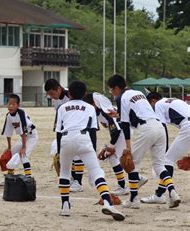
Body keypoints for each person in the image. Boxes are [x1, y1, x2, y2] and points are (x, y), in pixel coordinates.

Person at [107, 74, 180, 209]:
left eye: (111, 90)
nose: (112, 93)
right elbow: (137, 112)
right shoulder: (138, 92)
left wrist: (127, 146)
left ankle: (133, 199)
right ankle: (173, 192)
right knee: (159, 165)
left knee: (132, 164)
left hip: (146, 129)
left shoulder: (121, 97)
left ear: (117, 88)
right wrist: (117, 114)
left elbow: (125, 124)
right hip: (159, 127)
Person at [55, 80, 124, 221]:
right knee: (97, 172)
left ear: (70, 93)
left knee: (65, 173)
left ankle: (65, 206)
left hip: (66, 139)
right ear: (85, 93)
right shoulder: (90, 107)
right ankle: (106, 202)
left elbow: (58, 131)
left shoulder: (62, 108)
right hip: (84, 138)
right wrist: (92, 150)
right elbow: (93, 131)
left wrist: (58, 151)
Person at [142, 92, 189, 204]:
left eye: (150, 105)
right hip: (187, 125)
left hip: (188, 126)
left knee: (168, 160)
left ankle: (159, 195)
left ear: (153, 101)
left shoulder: (158, 105)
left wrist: (164, 150)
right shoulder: (173, 100)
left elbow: (162, 129)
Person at [45, 78, 84, 192]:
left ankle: (78, 182)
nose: (51, 97)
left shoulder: (71, 94)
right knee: (56, 151)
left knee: (76, 153)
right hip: (65, 129)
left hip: (77, 128)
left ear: (59, 89)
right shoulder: (55, 100)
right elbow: (59, 116)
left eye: (52, 93)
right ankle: (70, 178)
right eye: (49, 95)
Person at [1, 94, 39, 177]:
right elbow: (8, 132)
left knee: (23, 155)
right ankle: (10, 176)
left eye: (13, 104)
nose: (10, 106)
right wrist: (9, 147)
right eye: (9, 104)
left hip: (31, 136)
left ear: (18, 106)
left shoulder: (21, 113)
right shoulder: (8, 116)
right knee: (12, 152)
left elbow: (24, 132)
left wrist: (24, 147)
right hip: (23, 138)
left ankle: (28, 177)